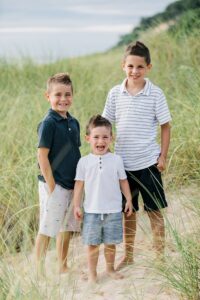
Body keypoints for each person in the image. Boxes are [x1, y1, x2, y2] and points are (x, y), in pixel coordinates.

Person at [102, 41, 171, 269]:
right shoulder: (115, 93)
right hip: (123, 166)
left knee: (154, 210)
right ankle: (129, 255)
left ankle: (160, 256)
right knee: (128, 213)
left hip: (148, 163)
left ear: (148, 67)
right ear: (123, 65)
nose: (134, 71)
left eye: (140, 67)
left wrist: (162, 156)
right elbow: (105, 124)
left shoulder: (155, 94)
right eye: (130, 66)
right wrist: (107, 153)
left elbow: (166, 126)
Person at [73, 115, 133, 283]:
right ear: (88, 139)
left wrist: (128, 199)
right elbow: (79, 185)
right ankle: (92, 273)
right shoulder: (83, 162)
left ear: (111, 138)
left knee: (110, 243)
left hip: (113, 210)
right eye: (96, 137)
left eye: (105, 137)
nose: (101, 141)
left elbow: (123, 181)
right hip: (91, 211)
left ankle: (110, 269)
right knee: (92, 244)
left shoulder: (116, 160)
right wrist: (77, 205)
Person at [35, 73, 81, 275]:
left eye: (67, 94)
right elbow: (42, 156)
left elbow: (74, 152)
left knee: (67, 227)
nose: (63, 99)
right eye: (58, 95)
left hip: (71, 183)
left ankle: (62, 265)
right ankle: (38, 270)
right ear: (48, 96)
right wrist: (51, 185)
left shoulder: (74, 122)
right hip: (54, 184)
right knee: (47, 227)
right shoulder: (48, 123)